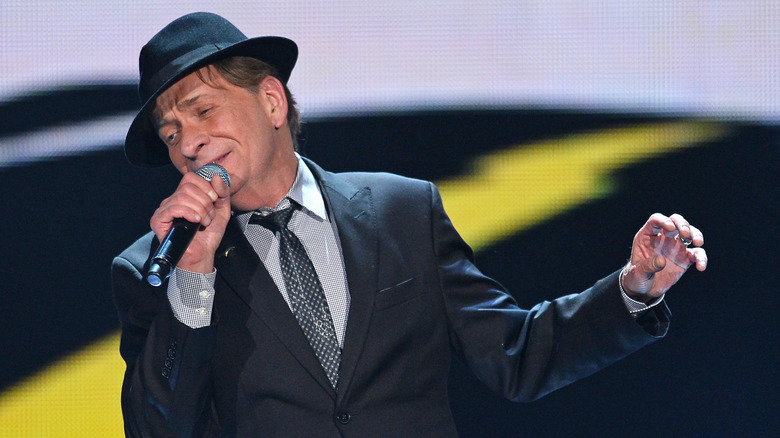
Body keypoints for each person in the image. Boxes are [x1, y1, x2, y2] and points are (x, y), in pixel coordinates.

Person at [112, 12, 708, 438]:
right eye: (169, 134)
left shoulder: (403, 212)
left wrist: (634, 288)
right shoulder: (155, 266)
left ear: (271, 102)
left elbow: (516, 357)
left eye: (203, 110)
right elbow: (160, 428)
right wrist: (192, 277)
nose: (189, 142)